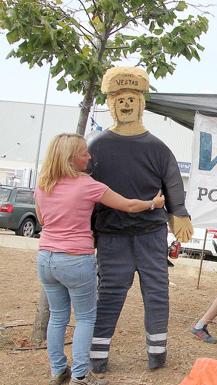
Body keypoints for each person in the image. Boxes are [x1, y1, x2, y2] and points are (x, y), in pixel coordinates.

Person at [34, 133, 165, 385]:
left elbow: (42, 220)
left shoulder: (43, 183)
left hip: (46, 259)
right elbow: (127, 205)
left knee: (59, 317)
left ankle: (58, 371)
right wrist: (154, 203)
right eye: (84, 153)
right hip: (75, 259)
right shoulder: (87, 185)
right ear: (71, 158)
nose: (89, 156)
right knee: (84, 318)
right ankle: (81, 375)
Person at [89, 67, 193, 372]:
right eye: (119, 98)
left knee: (157, 293)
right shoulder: (96, 146)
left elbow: (173, 182)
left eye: (131, 97)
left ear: (141, 102)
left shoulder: (158, 148)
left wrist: (180, 214)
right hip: (111, 236)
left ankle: (157, 354)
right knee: (108, 294)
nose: (125, 103)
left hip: (151, 234)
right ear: (109, 103)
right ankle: (97, 356)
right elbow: (85, 189)